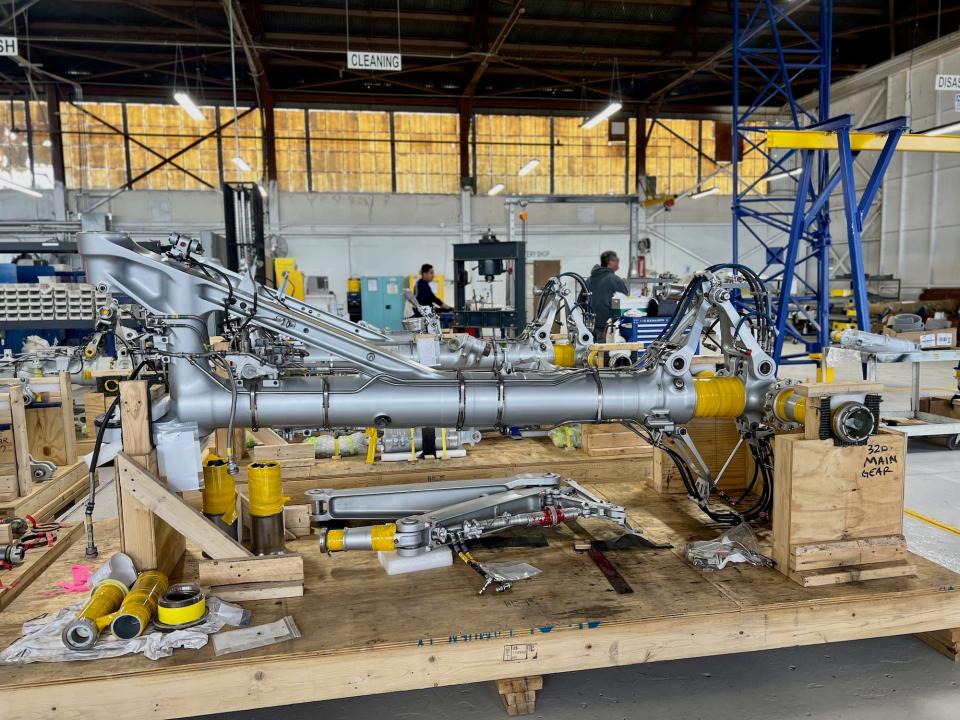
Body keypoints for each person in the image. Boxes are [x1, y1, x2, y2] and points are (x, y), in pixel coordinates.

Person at [588, 250, 628, 341]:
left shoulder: (589, 280)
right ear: (611, 262)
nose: (618, 263)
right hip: (609, 328)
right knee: (607, 353)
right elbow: (625, 303)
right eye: (617, 260)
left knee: (594, 353)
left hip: (590, 327)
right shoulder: (615, 280)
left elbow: (580, 302)